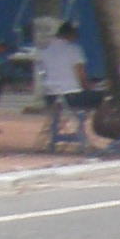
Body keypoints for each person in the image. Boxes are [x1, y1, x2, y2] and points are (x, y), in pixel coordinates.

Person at [34, 14, 92, 143]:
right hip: (71, 96)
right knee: (100, 98)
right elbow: (81, 76)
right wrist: (89, 88)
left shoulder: (44, 51)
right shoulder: (74, 50)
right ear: (70, 34)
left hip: (51, 96)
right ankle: (83, 130)